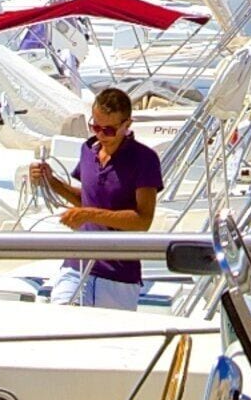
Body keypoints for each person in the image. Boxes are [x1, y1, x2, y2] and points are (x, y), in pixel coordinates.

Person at [30, 86, 164, 308]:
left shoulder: (144, 159)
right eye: (95, 127)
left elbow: (142, 220)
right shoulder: (88, 149)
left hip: (118, 276)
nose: (101, 135)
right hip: (76, 266)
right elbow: (89, 199)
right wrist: (50, 181)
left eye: (109, 130)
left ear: (126, 125)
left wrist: (89, 214)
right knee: (59, 324)